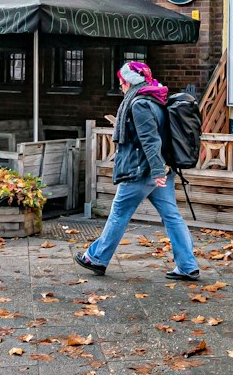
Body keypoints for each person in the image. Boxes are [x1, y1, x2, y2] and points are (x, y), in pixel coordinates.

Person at [76, 60, 200, 282]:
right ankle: (188, 265)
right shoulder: (155, 98)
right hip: (158, 169)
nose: (121, 87)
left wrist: (157, 172)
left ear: (128, 82)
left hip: (142, 171)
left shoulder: (140, 104)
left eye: (121, 82)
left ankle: (96, 258)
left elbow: (150, 140)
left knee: (119, 213)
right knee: (171, 216)